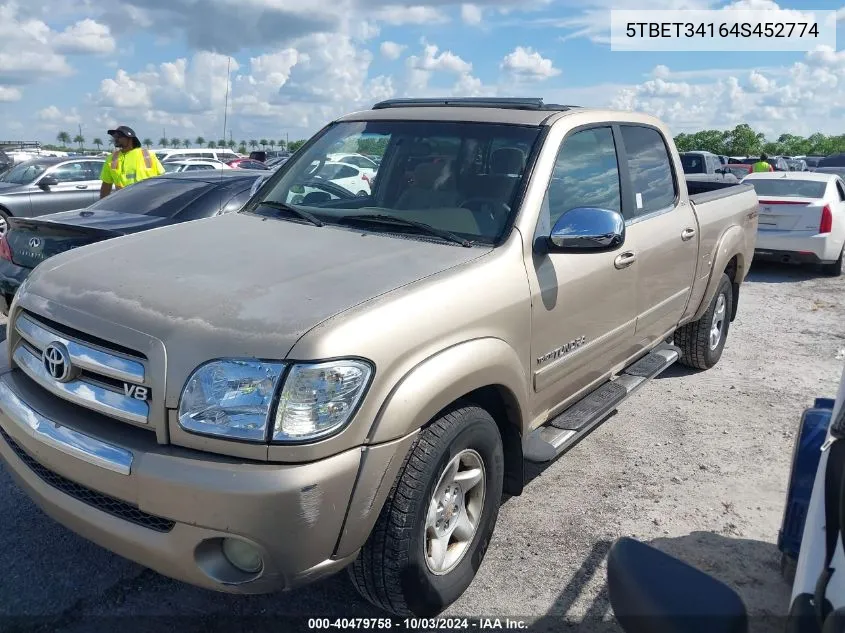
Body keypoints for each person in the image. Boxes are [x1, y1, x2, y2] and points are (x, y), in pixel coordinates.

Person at [99, 125, 164, 198]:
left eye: (119, 136)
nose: (116, 139)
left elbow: (162, 180)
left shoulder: (148, 155)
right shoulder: (111, 159)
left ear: (130, 139)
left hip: (148, 201)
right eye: (115, 137)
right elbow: (106, 185)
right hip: (123, 202)